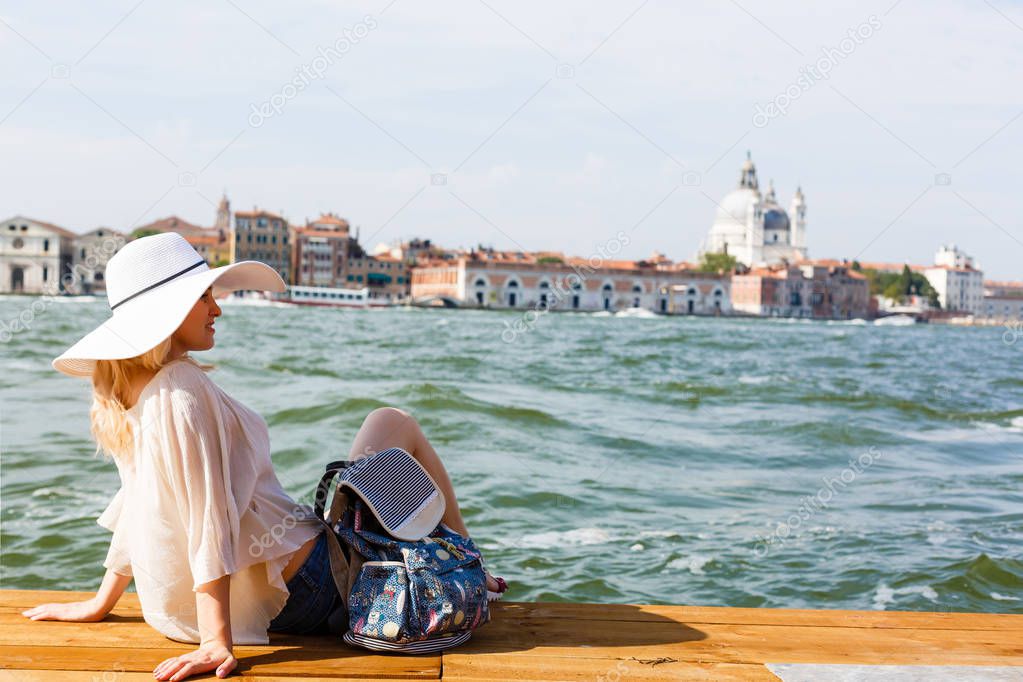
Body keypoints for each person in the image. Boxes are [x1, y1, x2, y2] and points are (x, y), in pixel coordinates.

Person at [21, 233, 505, 682]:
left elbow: (144, 506)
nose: (217, 309)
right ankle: (470, 561)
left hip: (226, 603)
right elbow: (208, 517)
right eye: (203, 297)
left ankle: (461, 561)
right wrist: (216, 641)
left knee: (380, 460)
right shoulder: (180, 388)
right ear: (167, 313)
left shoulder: (134, 393)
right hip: (313, 585)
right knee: (392, 423)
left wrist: (101, 602)